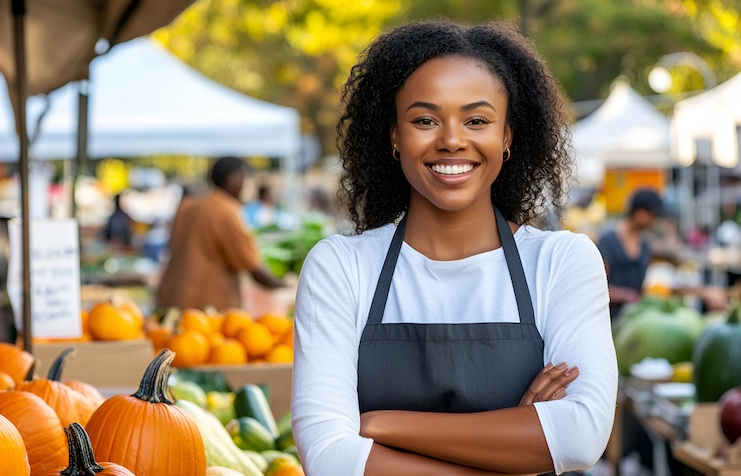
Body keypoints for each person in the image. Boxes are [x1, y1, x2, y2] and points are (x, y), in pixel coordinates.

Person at [290, 20, 617, 475]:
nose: (451, 139)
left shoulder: (561, 262)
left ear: (506, 137)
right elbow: (329, 460)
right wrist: (517, 446)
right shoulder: (340, 268)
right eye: (424, 120)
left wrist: (381, 425)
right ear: (393, 136)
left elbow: (581, 436)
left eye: (477, 120)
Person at [156, 156, 285, 311]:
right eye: (247, 179)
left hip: (171, 300)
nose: (249, 186)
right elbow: (252, 265)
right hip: (207, 309)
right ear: (234, 179)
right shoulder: (227, 211)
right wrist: (283, 284)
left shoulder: (187, 205)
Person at [597, 188, 726, 320]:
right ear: (640, 213)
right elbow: (597, 288)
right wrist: (629, 296)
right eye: (653, 216)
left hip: (634, 319)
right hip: (609, 320)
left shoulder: (644, 244)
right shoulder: (608, 241)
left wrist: (703, 291)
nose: (655, 221)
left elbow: (658, 286)